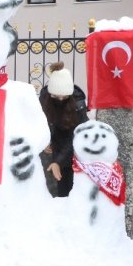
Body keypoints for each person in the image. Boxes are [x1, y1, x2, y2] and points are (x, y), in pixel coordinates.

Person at [39, 62, 88, 197]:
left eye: (64, 97)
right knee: (47, 191)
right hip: (50, 147)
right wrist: (44, 140)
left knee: (67, 189)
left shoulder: (78, 105)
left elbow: (76, 136)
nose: (60, 99)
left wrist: (58, 161)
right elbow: (38, 123)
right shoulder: (44, 98)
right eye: (56, 96)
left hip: (71, 147)